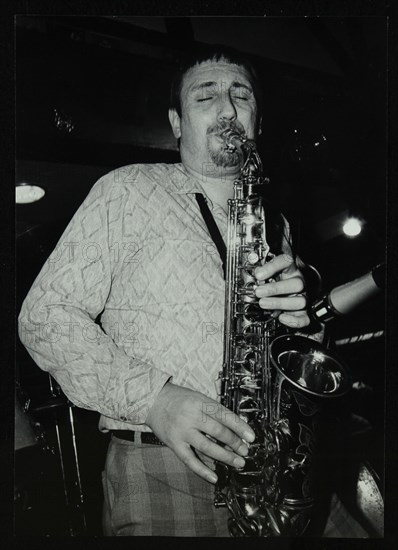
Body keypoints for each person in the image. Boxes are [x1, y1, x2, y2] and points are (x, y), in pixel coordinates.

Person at [18, 45, 368, 537]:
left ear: (258, 121)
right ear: (176, 122)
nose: (227, 108)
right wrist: (155, 400)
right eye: (206, 96)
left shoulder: (275, 223)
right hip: (164, 470)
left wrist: (304, 321)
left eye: (240, 95)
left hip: (280, 462)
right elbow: (44, 316)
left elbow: (300, 355)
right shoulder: (128, 189)